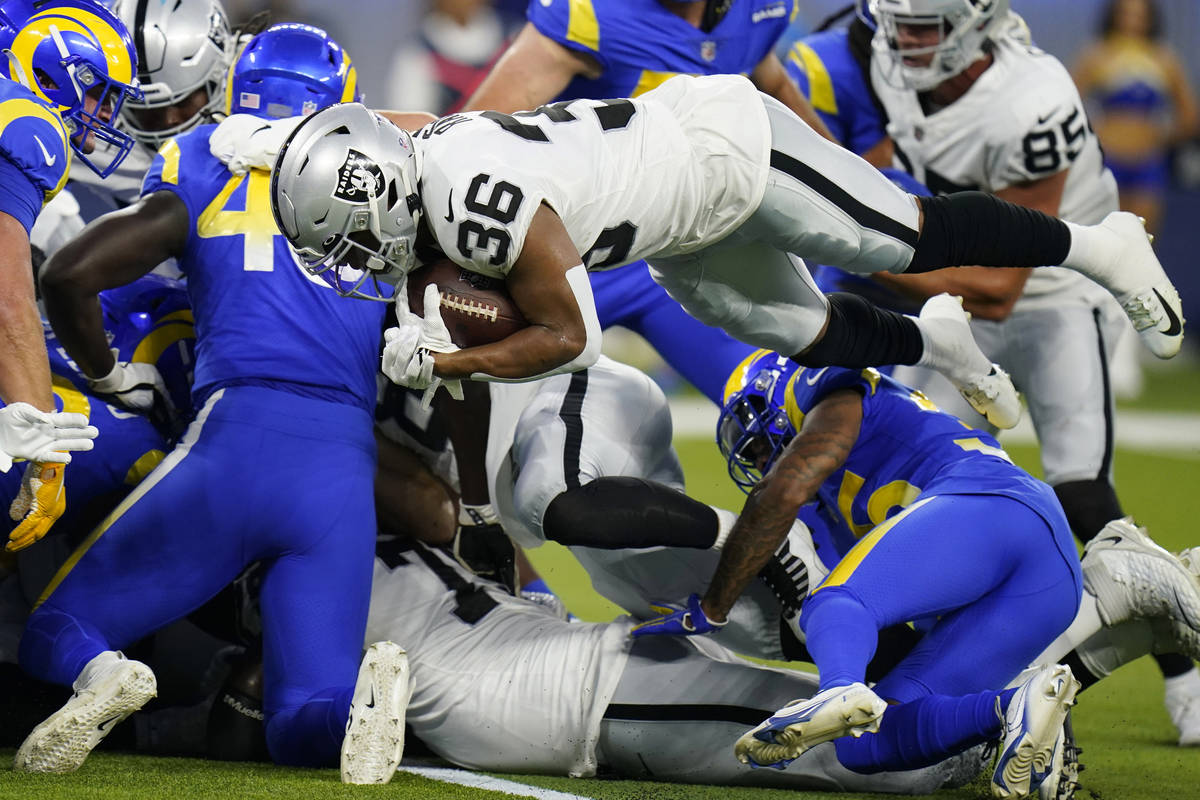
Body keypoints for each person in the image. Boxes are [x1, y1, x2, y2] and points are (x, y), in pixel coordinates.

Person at [263, 72, 1183, 436]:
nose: (358, 258)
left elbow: (574, 337)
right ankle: (933, 343)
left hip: (723, 154)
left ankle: (1098, 247)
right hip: (677, 232)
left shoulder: (474, 205)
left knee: (904, 234)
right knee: (802, 331)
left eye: (352, 235)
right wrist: (270, 143)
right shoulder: (411, 151)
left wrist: (450, 363)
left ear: (384, 191)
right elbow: (386, 123)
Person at [15, 24, 415, 781]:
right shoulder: (388, 174)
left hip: (236, 437)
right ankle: (354, 708)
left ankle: (108, 674)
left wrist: (108, 374)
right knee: (300, 718)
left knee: (60, 626)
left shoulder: (203, 157)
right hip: (342, 464)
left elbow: (68, 274)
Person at [627, 350, 1197, 799]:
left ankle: (835, 690)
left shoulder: (831, 393)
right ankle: (1013, 710)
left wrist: (715, 607)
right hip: (1038, 584)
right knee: (864, 747)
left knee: (835, 602)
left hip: (996, 505)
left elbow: (791, 495)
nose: (756, 454)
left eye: (758, 431)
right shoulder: (820, 509)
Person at [861, 0, 1200, 747]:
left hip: (1054, 292)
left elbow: (1003, 283)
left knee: (1083, 491)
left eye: (926, 27)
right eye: (900, 22)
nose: (906, 39)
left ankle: (1183, 670)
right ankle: (904, 677)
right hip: (955, 287)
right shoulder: (883, 56)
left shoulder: (1032, 100)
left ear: (972, 25)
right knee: (899, 478)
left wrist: (859, 247)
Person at [459, 0, 824, 405]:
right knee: (458, 398)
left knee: (770, 405)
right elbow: (471, 141)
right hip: (567, 259)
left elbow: (771, 84)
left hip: (680, 255)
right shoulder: (590, 15)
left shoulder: (755, 12)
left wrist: (841, 170)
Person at [0, 0, 154, 548]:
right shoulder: (27, 123)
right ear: (53, 73)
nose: (103, 121)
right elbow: (7, 299)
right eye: (101, 95)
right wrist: (44, 448)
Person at [1073, 0, 1199, 237]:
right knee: (1106, 240)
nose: (1132, 21)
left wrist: (1161, 135)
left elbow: (1190, 117)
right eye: (1126, 14)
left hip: (1148, 164)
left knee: (1143, 240)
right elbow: (1069, 104)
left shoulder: (1164, 59)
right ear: (1113, 15)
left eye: (1139, 15)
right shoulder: (1097, 55)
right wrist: (1094, 131)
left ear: (1151, 18)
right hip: (1108, 161)